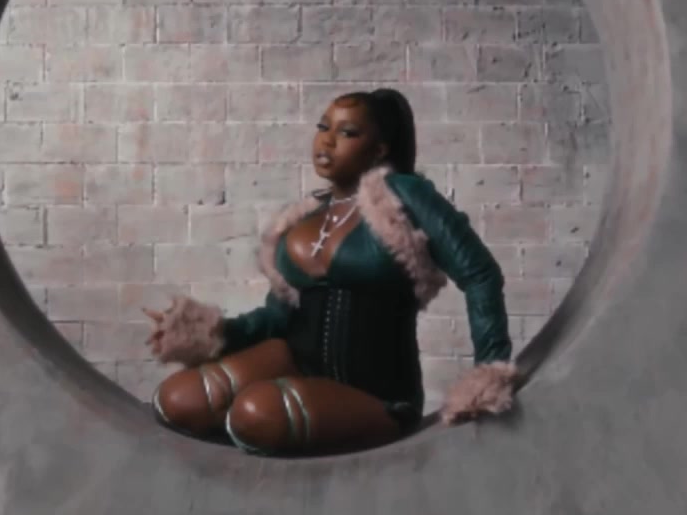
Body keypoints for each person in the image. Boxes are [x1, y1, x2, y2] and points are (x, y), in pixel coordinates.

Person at [142, 88, 516, 456]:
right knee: (177, 400)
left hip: (376, 391)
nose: (327, 140)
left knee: (255, 413)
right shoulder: (305, 215)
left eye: (347, 132)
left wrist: (490, 372)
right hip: (292, 359)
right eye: (323, 127)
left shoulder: (403, 194)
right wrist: (211, 331)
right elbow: (278, 316)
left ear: (379, 149)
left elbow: (479, 274)